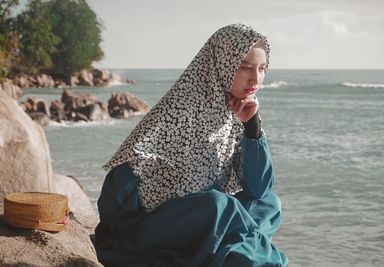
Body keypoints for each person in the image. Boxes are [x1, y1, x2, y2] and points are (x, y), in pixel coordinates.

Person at [94, 23, 288, 267]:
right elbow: (123, 177)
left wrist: (252, 128)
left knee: (268, 203)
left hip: (205, 221)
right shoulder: (180, 110)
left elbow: (259, 189)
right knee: (219, 204)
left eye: (262, 69)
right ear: (222, 63)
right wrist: (114, 234)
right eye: (245, 67)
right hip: (156, 225)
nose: (256, 79)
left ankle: (237, 252)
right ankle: (251, 255)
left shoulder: (241, 114)